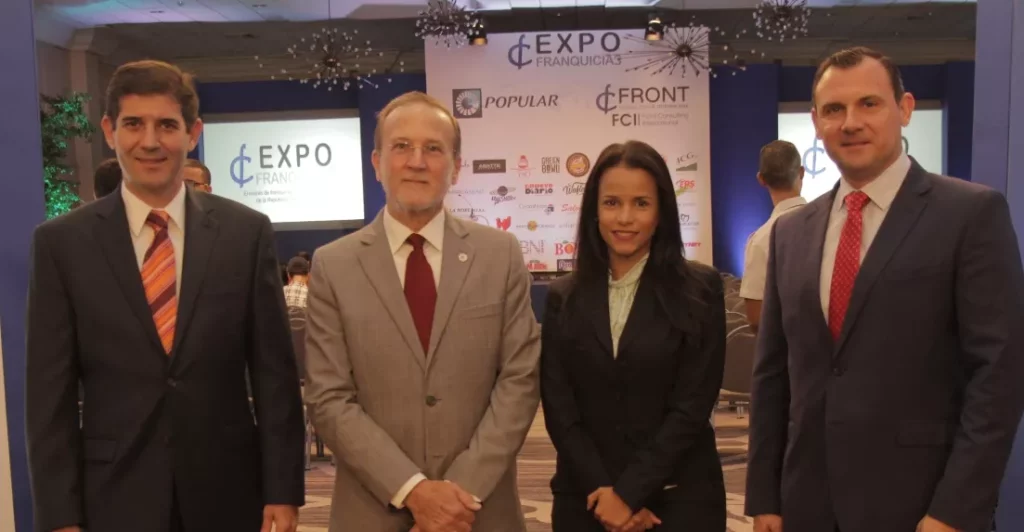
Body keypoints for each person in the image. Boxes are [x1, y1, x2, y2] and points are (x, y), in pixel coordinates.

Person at [745, 46, 1024, 532]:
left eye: (869, 104)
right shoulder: (790, 234)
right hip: (807, 503)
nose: (851, 122)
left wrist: (955, 510)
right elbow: (773, 376)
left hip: (923, 505)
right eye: (834, 109)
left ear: (905, 108)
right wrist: (765, 497)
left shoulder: (970, 215)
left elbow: (999, 375)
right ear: (816, 122)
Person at [25, 59, 305, 532]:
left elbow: (273, 375)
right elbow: (48, 396)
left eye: (167, 125)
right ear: (110, 131)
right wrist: (58, 515)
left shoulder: (245, 233)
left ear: (193, 133)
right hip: (111, 497)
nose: (150, 141)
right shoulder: (62, 244)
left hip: (229, 492)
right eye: (134, 124)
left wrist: (282, 488)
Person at [303, 91, 541, 531]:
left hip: (478, 511)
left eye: (433, 148)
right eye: (401, 147)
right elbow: (328, 397)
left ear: (456, 167)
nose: (417, 161)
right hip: (373, 511)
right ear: (377, 163)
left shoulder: (500, 254)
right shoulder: (333, 265)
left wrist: (457, 495)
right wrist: (413, 490)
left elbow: (520, 381)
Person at [540, 140, 726, 532]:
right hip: (587, 497)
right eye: (612, 203)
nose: (625, 217)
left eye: (641, 203)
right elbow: (559, 407)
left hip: (679, 497)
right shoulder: (562, 296)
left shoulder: (700, 289)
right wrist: (605, 493)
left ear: (661, 212)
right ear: (594, 210)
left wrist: (629, 495)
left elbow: (692, 407)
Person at [739, 140, 806, 331]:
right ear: (801, 172)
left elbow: (756, 317)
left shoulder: (761, 240)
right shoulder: (831, 223)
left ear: (761, 179)